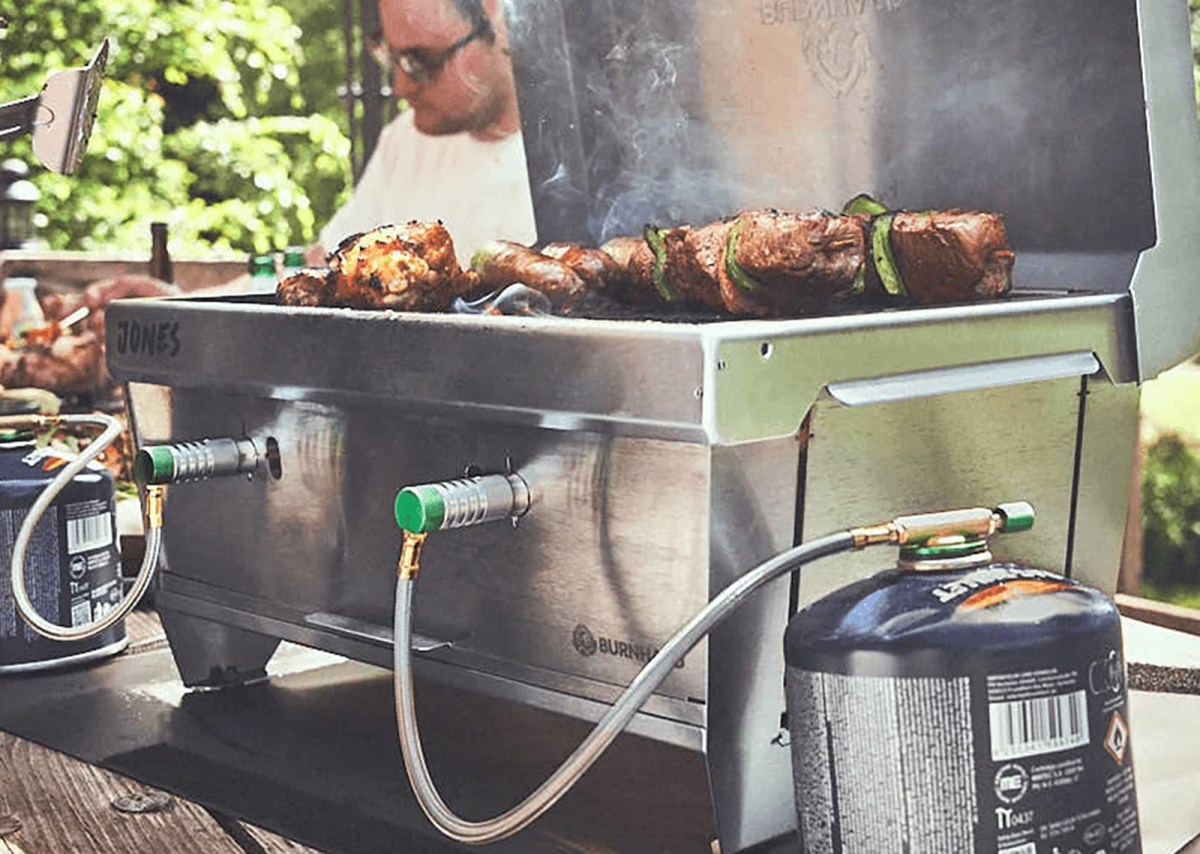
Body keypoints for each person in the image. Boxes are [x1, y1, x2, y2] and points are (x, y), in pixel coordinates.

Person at [311, 0, 537, 267]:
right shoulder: (404, 139)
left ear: (501, 27)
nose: (401, 87)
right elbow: (325, 261)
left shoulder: (582, 157)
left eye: (420, 60)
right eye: (389, 55)